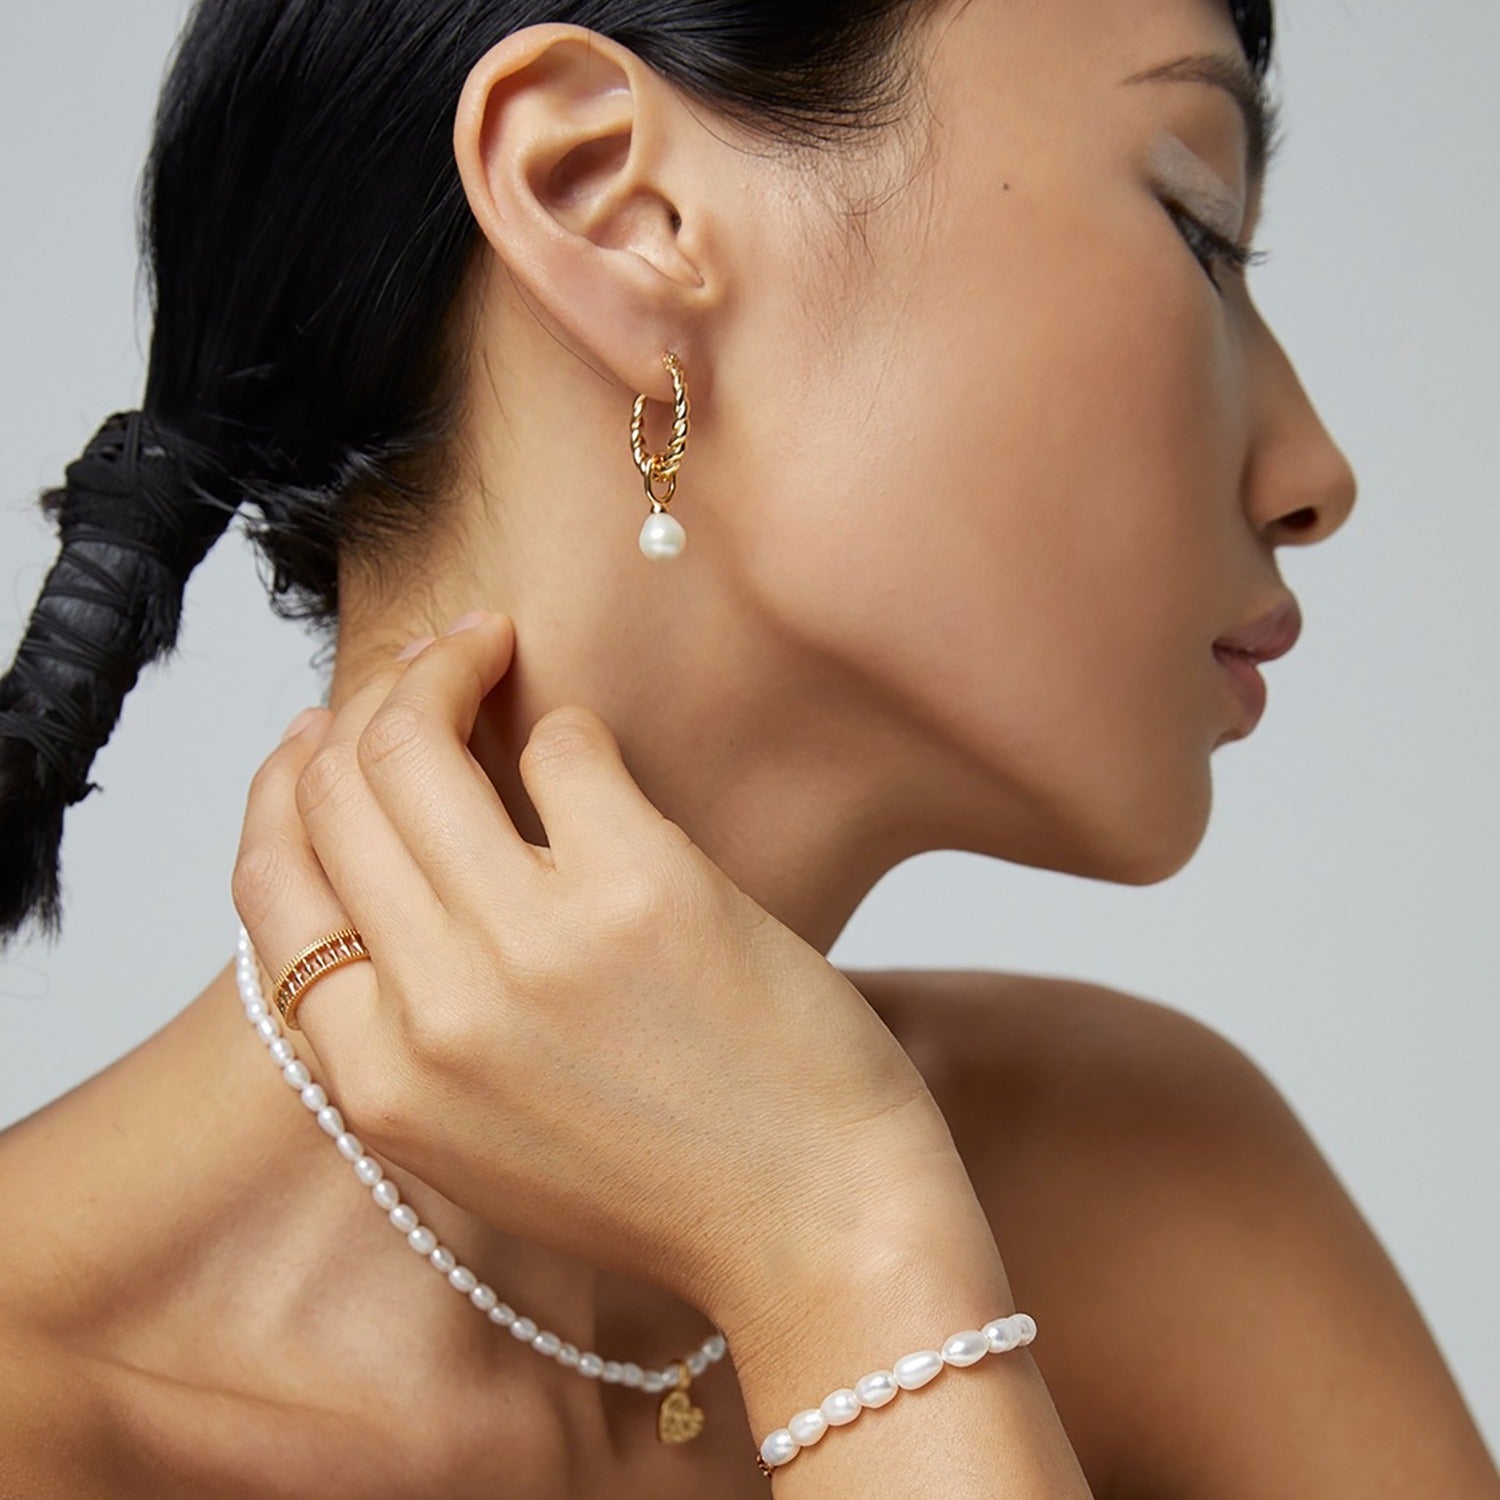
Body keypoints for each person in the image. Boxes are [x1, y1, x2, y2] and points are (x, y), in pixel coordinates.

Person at [1, 0, 1495, 1495]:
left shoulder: (1162, 1203)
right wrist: (835, 1244)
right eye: (1199, 228)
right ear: (614, 206)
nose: (1315, 473)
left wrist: (835, 1248)